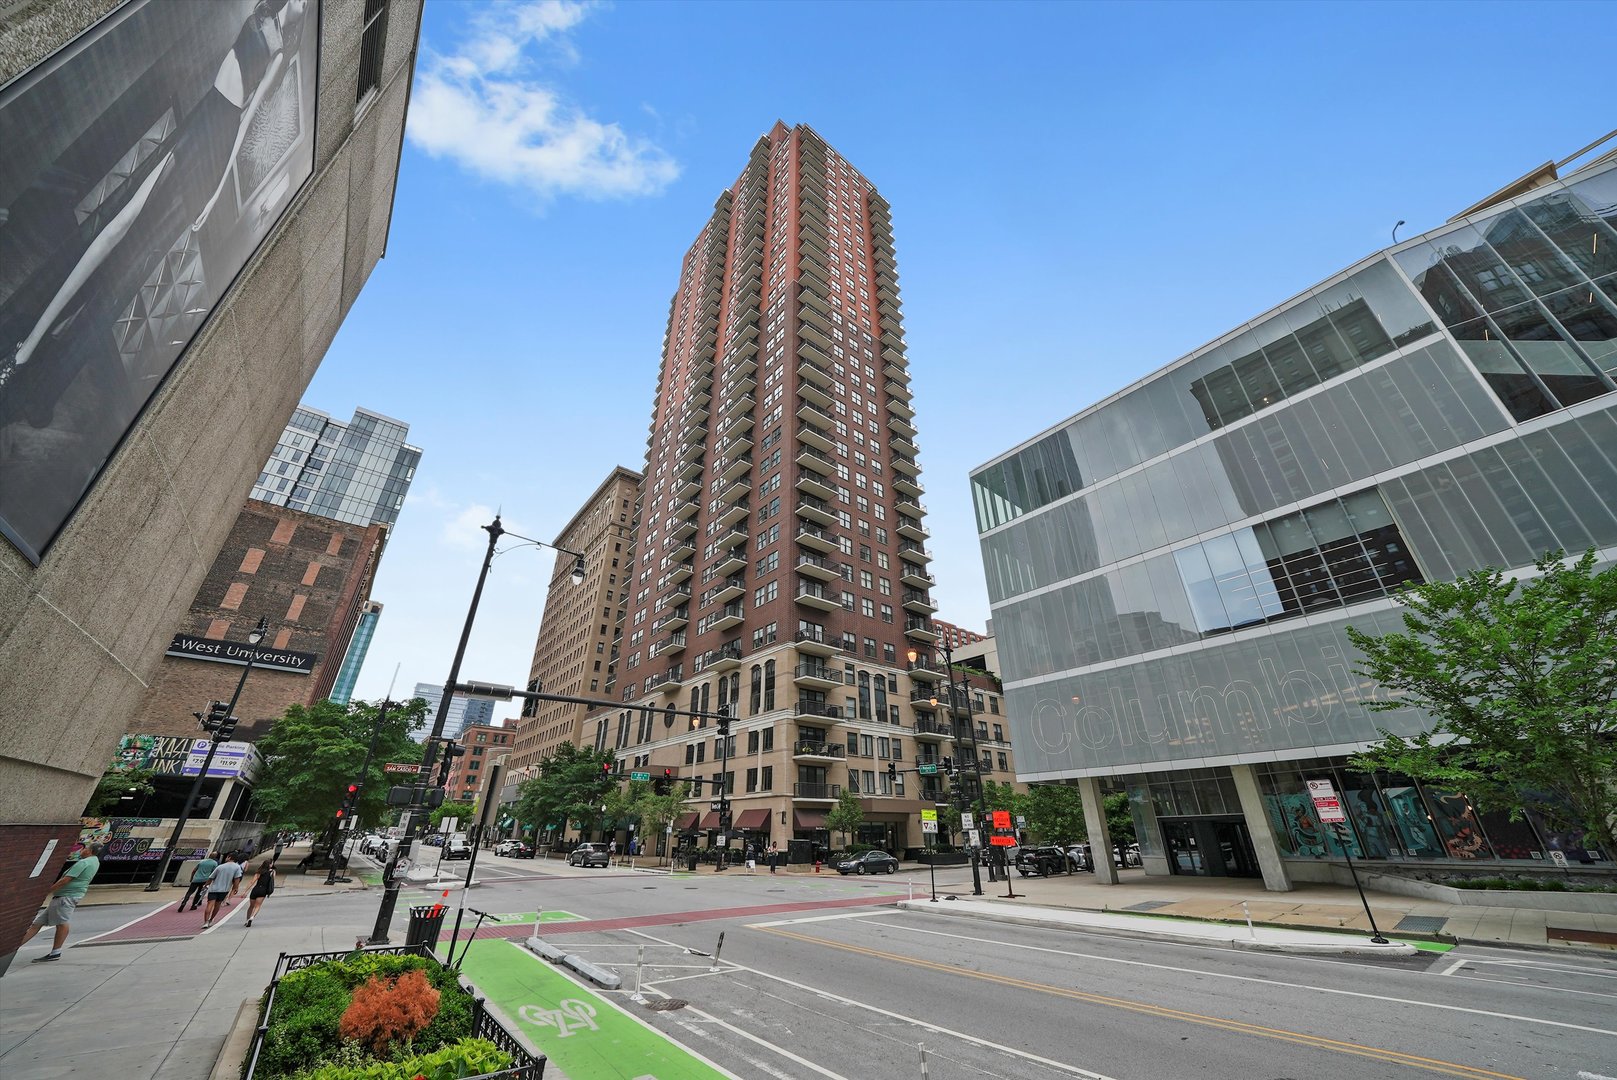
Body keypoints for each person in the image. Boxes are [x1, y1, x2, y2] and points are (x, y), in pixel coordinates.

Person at [23, 842, 104, 962]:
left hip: (66, 897)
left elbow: (65, 880)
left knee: (62, 923)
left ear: (90, 851)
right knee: (37, 924)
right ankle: (10, 949)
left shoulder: (84, 862)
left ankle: (56, 953)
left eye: (85, 848)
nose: (82, 850)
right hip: (65, 897)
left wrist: (47, 891)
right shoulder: (95, 862)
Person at [201, 852, 243, 929]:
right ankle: (211, 920)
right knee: (217, 905)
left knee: (209, 904)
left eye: (227, 857)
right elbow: (237, 879)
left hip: (213, 889)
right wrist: (235, 888)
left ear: (229, 857)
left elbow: (211, 878)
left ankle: (205, 922)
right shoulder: (237, 867)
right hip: (224, 890)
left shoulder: (220, 867)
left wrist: (205, 885)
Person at [245, 859, 276, 927]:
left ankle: (247, 920)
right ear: (270, 865)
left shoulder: (259, 871)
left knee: (251, 906)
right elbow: (272, 881)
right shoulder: (272, 872)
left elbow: (252, 882)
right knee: (257, 906)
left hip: (256, 889)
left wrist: (245, 891)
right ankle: (252, 917)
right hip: (263, 890)